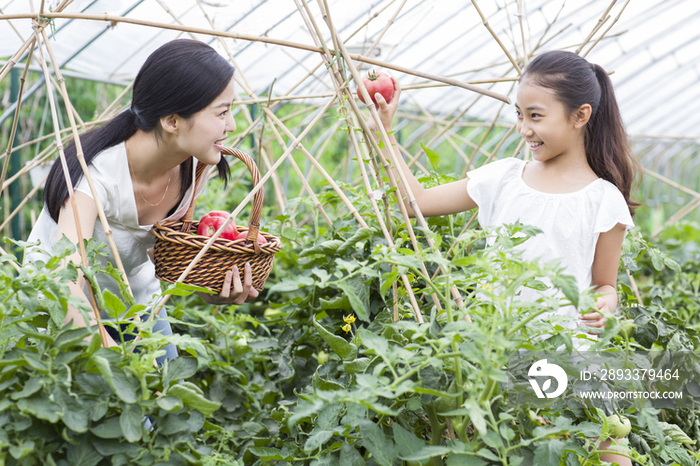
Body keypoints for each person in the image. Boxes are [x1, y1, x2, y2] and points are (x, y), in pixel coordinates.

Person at [369, 50, 637, 465]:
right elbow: (414, 202)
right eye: (519, 115)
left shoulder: (603, 200)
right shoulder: (503, 178)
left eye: (535, 116)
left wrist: (605, 303)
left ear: (580, 116)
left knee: (603, 451)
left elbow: (606, 284)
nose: (524, 129)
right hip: (495, 355)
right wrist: (385, 132)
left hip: (567, 353)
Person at [25, 39, 258, 360]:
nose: (231, 125)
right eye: (223, 112)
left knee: (167, 404)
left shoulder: (195, 165)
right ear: (172, 121)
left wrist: (211, 287)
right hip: (58, 307)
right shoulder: (93, 177)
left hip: (136, 303)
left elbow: (164, 255)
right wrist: (114, 364)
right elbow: (64, 285)